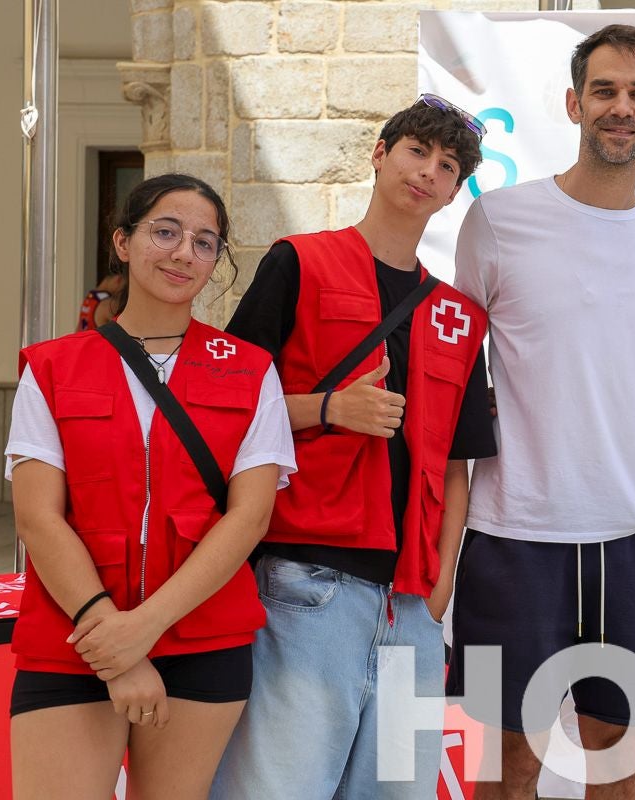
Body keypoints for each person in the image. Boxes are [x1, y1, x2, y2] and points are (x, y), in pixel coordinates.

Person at [211, 96, 494, 800]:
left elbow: (460, 465)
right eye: (416, 151)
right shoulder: (297, 264)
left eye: (447, 165)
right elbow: (222, 409)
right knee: (280, 789)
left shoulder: (458, 316)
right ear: (379, 153)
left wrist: (440, 590)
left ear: (455, 191)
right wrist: (329, 407)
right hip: (308, 585)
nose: (428, 171)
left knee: (395, 792)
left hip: (412, 605)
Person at [447, 23, 635, 800]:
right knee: (509, 765)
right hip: (515, 534)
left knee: (619, 767)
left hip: (634, 536)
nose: (622, 107)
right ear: (574, 103)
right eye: (606, 91)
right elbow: (455, 372)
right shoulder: (498, 220)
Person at [6, 172, 296, 800]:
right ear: (123, 242)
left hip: (201, 638)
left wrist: (144, 630)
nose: (183, 252)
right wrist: (112, 636)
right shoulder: (52, 367)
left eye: (204, 241)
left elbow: (249, 519)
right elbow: (38, 518)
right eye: (165, 232)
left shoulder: (251, 372)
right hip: (73, 636)